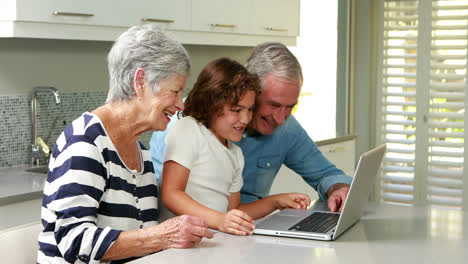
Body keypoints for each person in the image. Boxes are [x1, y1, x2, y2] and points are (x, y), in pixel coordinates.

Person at [37, 24, 213, 264]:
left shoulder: (141, 152)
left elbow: (141, 240)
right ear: (140, 82)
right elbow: (74, 241)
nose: (180, 105)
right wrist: (163, 236)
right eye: (175, 91)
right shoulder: (86, 143)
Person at [150, 42, 352, 213]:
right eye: (273, 105)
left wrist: (339, 188)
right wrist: (220, 222)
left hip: (243, 232)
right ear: (250, 90)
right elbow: (164, 199)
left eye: (290, 106)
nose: (281, 119)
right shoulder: (182, 123)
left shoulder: (274, 135)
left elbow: (325, 173)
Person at [160, 57, 311, 236]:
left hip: (214, 242)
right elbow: (171, 194)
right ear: (211, 104)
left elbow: (234, 211)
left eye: (250, 109)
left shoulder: (235, 153)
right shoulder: (189, 129)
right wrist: (219, 221)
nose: (246, 119)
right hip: (178, 246)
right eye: (237, 110)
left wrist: (275, 202)